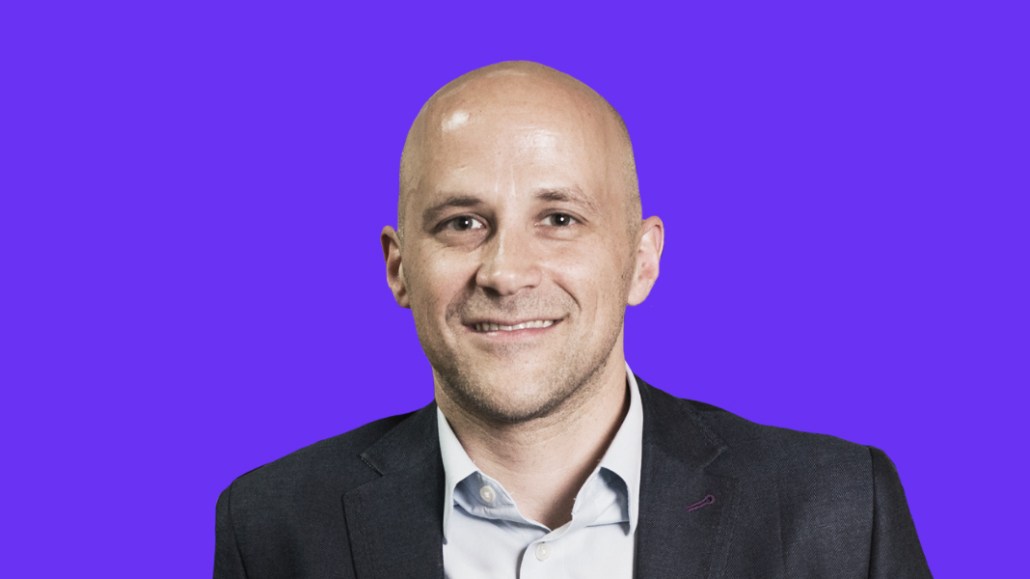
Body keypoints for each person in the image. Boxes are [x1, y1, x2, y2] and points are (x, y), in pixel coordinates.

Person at [214, 61, 931, 578]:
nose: (505, 272)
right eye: (462, 222)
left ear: (641, 261)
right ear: (399, 268)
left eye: (559, 218)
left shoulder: (839, 511)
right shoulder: (272, 526)